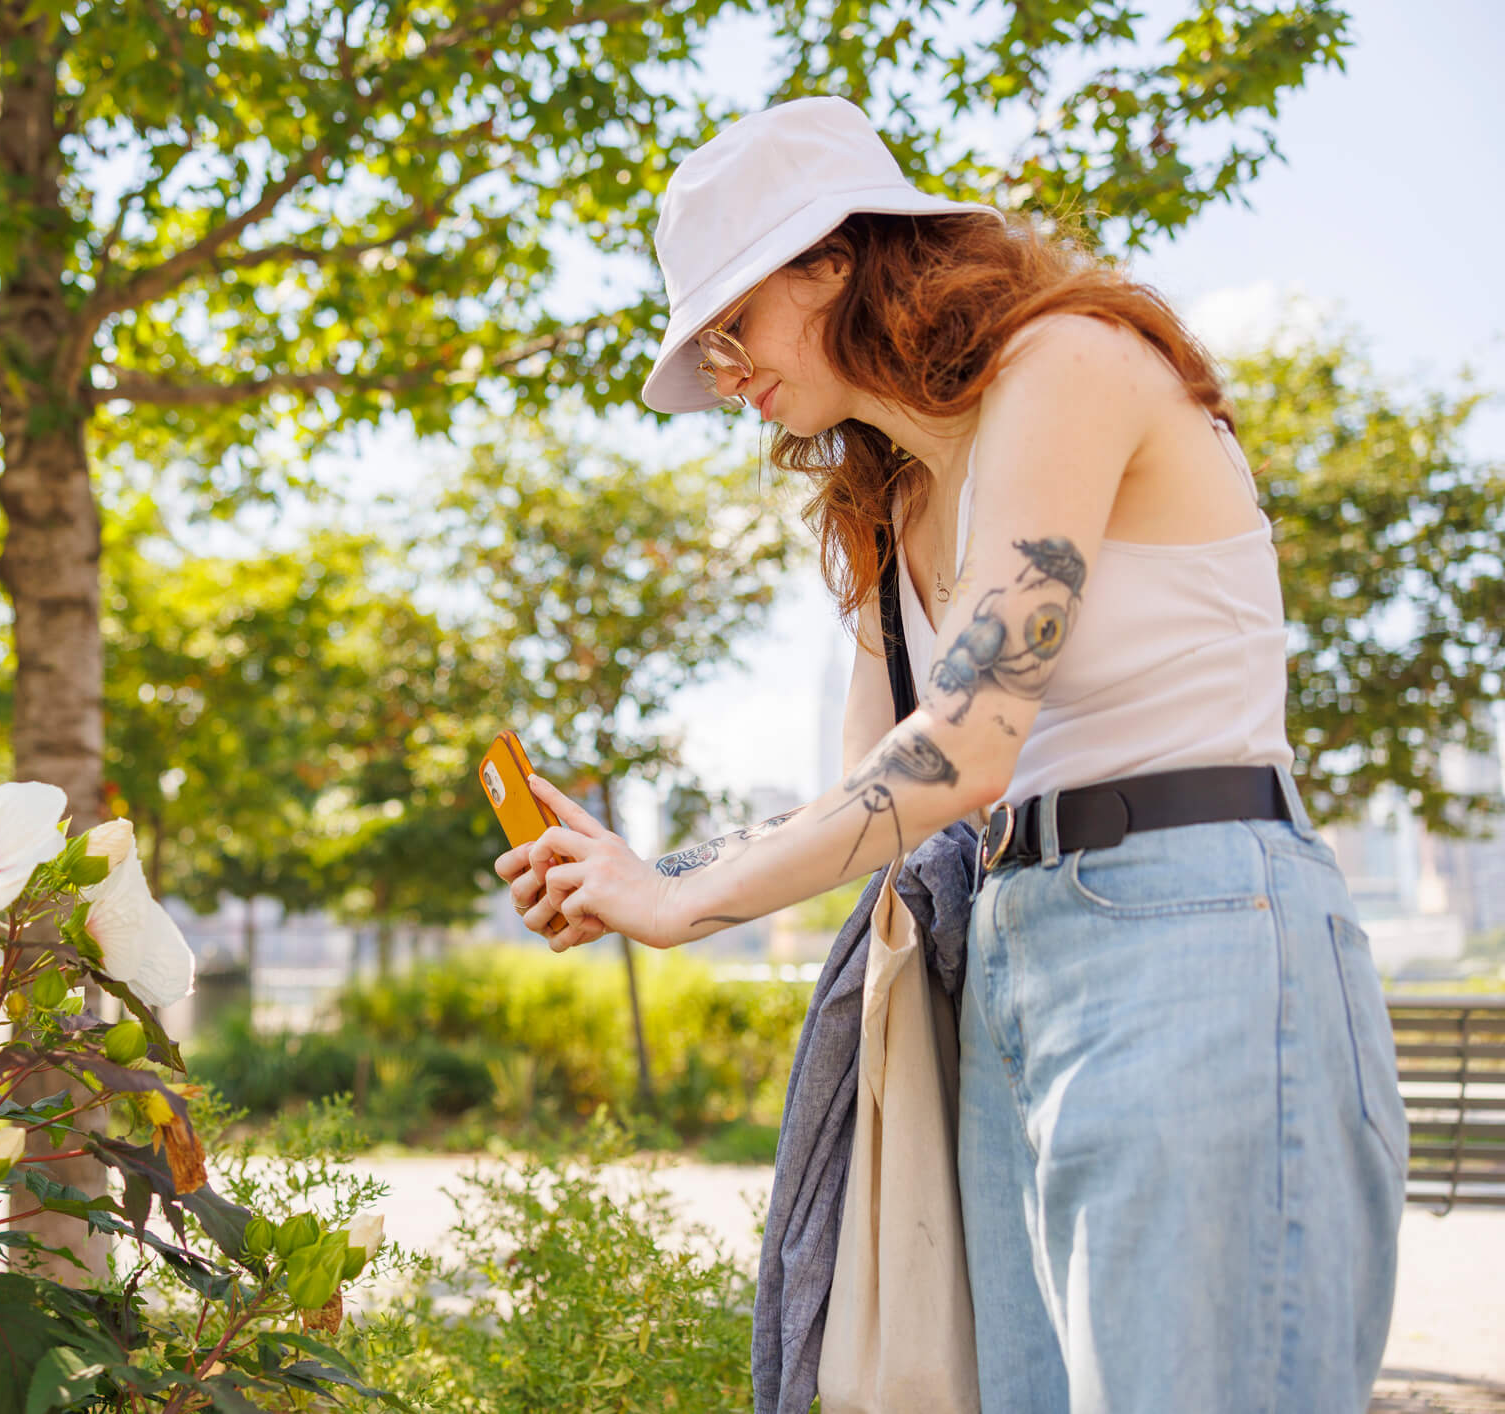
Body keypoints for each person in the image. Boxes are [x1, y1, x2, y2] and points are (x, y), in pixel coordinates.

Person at [494, 95, 1407, 1413]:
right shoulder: (890, 509)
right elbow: (878, 796)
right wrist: (647, 864)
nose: (724, 366)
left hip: (1197, 925)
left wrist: (682, 901)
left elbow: (972, 740)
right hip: (1019, 961)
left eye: (729, 322)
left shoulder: (1071, 364)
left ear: (831, 256)